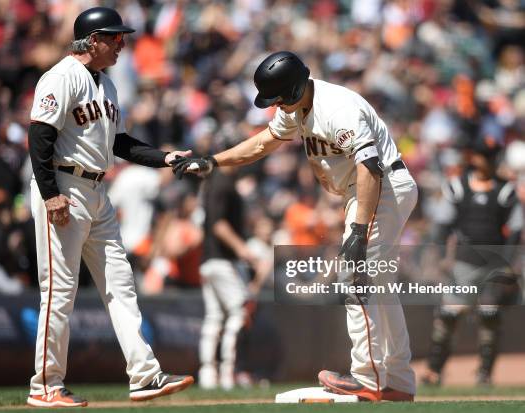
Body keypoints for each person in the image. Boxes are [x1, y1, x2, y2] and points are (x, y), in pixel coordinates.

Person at [171, 51, 418, 401]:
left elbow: (370, 167)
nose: (275, 106)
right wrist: (214, 161)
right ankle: (398, 381)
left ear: (295, 88)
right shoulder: (298, 105)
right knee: (379, 284)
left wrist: (359, 231)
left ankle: (367, 376)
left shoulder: (337, 108)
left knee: (354, 273)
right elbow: (263, 142)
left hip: (382, 186)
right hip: (373, 189)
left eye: (277, 99)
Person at [26, 7, 193, 408]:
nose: (123, 44)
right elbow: (39, 136)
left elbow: (121, 144)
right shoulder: (61, 77)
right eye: (115, 37)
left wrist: (165, 157)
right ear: (92, 39)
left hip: (98, 192)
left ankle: (145, 375)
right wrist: (50, 194)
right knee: (59, 292)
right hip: (63, 186)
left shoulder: (108, 85)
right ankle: (45, 384)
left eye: (122, 37)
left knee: (121, 284)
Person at [421, 137, 520, 386]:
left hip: (494, 263)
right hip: (464, 263)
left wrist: (509, 263)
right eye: (480, 154)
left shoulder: (505, 190)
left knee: (489, 315)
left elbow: (517, 229)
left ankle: (485, 373)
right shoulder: (458, 187)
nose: (484, 160)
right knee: (449, 314)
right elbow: (442, 224)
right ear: (473, 158)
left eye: (488, 155)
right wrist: (441, 255)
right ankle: (434, 371)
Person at [197, 164, 259, 390]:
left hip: (208, 260)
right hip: (224, 261)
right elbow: (219, 225)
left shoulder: (212, 183)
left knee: (214, 317)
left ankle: (207, 373)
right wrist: (242, 248)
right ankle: (228, 371)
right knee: (240, 311)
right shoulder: (223, 183)